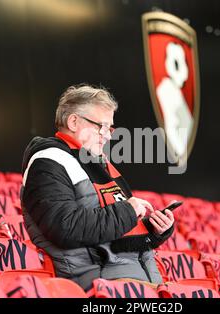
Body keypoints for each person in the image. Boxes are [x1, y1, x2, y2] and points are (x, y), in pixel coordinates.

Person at [20, 84, 175, 291]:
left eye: (109, 128)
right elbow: (66, 227)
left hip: (140, 282)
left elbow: (114, 230)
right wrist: (129, 211)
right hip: (100, 286)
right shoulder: (47, 163)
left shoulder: (97, 163)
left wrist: (153, 229)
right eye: (100, 126)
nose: (108, 135)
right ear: (73, 121)